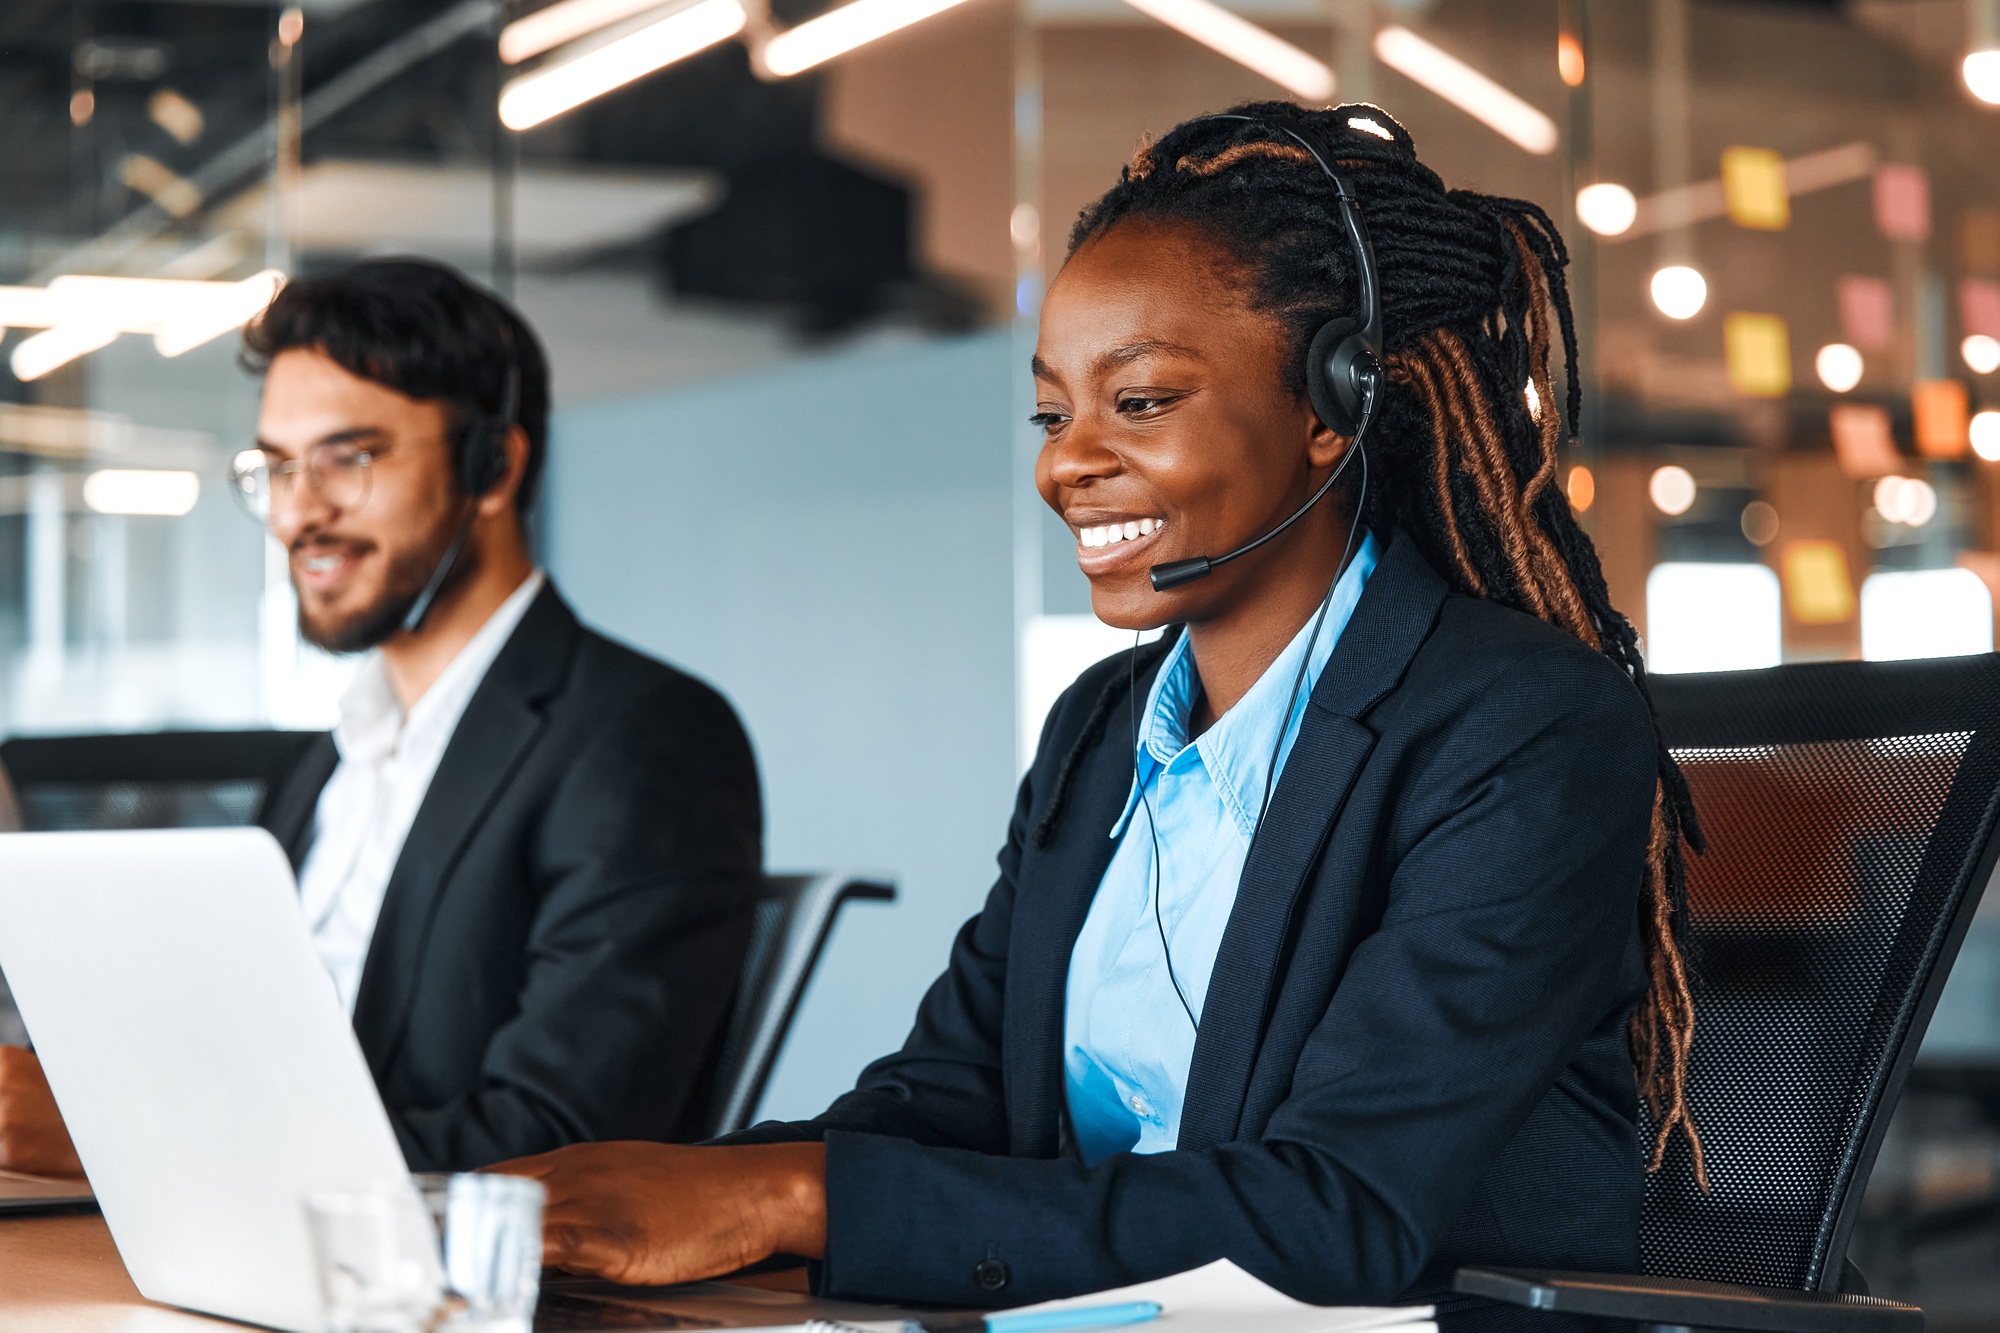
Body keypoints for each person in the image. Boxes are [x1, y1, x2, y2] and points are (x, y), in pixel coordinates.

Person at [495, 104, 1704, 1314]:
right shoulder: (1099, 730)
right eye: (1049, 412)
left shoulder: (1520, 729)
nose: (1063, 462)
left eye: (1138, 403)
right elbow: (952, 1096)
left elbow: (1336, 1214)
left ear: (1331, 407)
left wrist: (793, 1202)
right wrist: (629, 1191)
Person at [0, 259, 763, 1175]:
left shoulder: (644, 735)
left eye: (347, 459)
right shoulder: (330, 758)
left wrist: (128, 1131)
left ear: (492, 465)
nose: (298, 512)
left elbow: (562, 1149)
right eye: (278, 468)